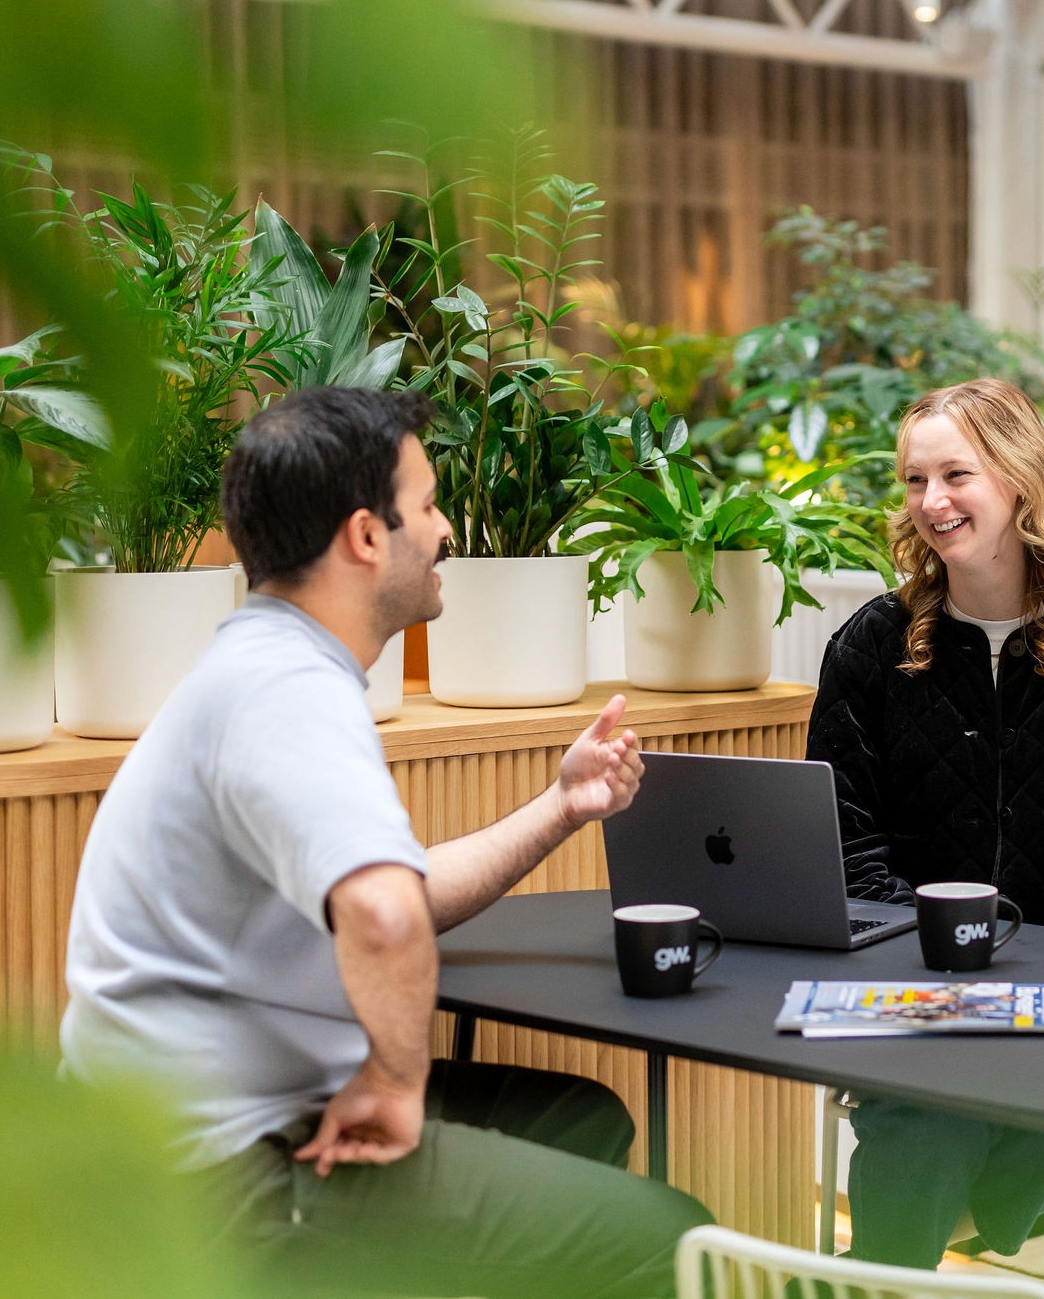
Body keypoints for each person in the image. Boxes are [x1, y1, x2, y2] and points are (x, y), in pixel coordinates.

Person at [61, 387, 710, 1299]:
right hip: (220, 1166)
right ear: (367, 536)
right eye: (432, 503)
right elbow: (382, 911)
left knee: (578, 1117)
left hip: (213, 1126)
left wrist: (566, 804)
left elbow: (394, 888)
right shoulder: (288, 690)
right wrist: (396, 1082)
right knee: (676, 1240)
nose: (446, 530)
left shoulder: (266, 665)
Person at [807, 377, 1044, 1268]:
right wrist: (941, 963)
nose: (931, 502)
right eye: (913, 481)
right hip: (915, 980)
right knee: (921, 1121)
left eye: (956, 475)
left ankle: (982, 1203)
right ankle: (894, 1277)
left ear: (1018, 479)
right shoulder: (868, 647)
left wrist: (1043, 977)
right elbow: (846, 839)